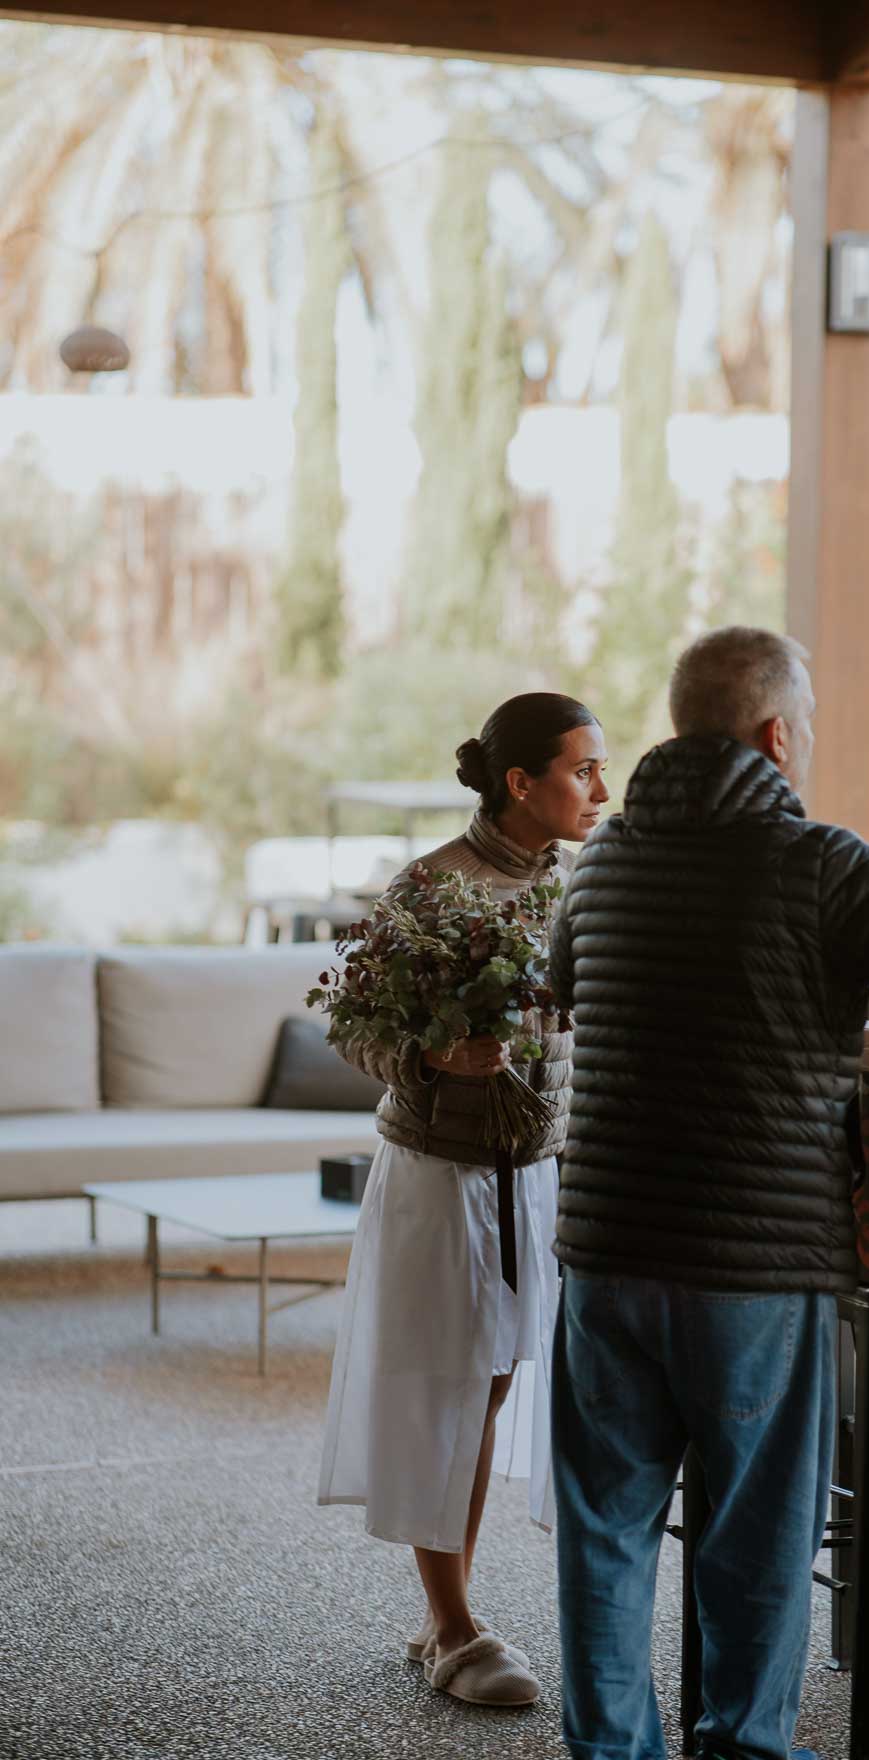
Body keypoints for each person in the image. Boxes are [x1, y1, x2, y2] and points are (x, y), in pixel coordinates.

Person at [548, 626, 869, 1760]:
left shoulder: (601, 859)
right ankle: (743, 1748)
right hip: (754, 1269)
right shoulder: (816, 862)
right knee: (753, 1537)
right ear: (778, 733)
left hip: (603, 1254)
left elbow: (563, 982)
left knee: (605, 1532)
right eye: (814, 726)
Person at [318, 692, 608, 1709]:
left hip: (536, 1175)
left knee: (487, 1385)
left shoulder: (581, 883)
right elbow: (352, 1030)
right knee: (447, 1390)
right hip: (442, 1176)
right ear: (520, 781)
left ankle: (448, 1610)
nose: (599, 790)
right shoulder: (431, 882)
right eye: (581, 769)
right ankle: (452, 1625)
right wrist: (429, 1052)